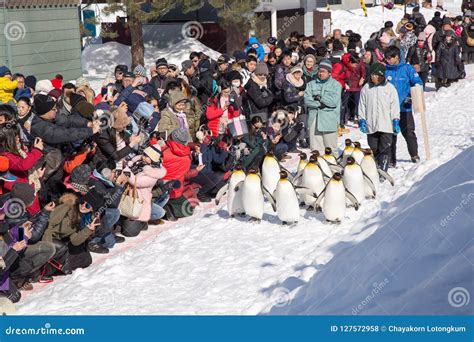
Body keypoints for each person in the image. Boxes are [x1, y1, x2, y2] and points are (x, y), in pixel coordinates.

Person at [384, 46, 423, 165]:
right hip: (389, 109)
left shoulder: (407, 69)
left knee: (408, 132)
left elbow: (418, 83)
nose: (388, 60)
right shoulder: (386, 70)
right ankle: (391, 160)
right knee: (390, 135)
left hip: (404, 108)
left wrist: (411, 97)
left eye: (390, 58)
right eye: (386, 58)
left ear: (397, 57)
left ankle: (414, 154)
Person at [358, 63, 400, 171]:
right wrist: (361, 119)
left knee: (385, 148)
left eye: (376, 75)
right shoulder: (366, 88)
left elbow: (395, 106)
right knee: (374, 147)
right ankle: (376, 165)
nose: (374, 77)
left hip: (386, 125)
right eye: (372, 74)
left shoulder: (390, 88)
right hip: (371, 124)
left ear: (381, 75)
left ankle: (383, 169)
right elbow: (362, 105)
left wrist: (395, 120)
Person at [304, 59, 342, 156]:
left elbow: (333, 102)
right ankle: (319, 169)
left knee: (330, 149)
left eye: (323, 71)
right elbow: (307, 101)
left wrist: (319, 97)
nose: (321, 73)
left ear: (329, 73)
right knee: (316, 150)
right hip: (314, 120)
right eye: (320, 71)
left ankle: (333, 169)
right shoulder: (311, 84)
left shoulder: (336, 85)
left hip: (329, 120)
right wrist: (321, 104)